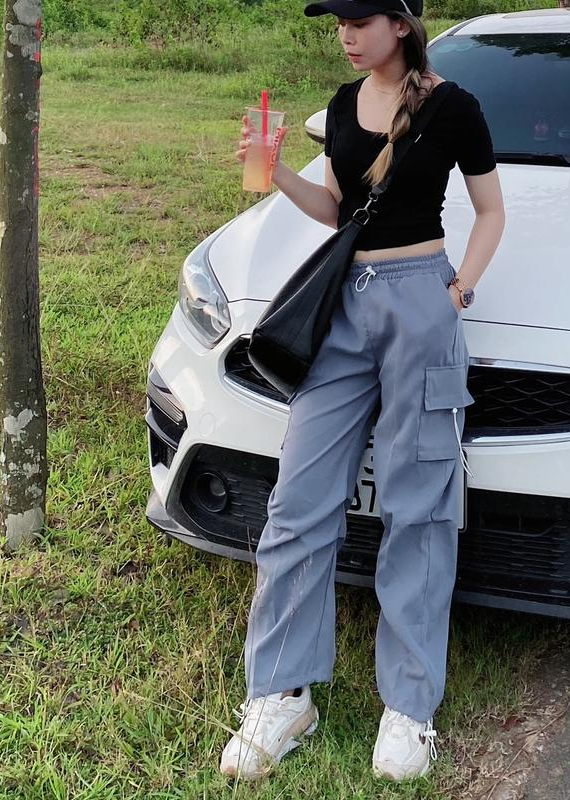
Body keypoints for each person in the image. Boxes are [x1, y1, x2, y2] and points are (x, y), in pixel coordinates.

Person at [222, 0, 505, 783]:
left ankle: (409, 706)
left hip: (421, 300)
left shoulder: (454, 106)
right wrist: (275, 171)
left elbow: (491, 210)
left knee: (420, 507)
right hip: (344, 304)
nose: (345, 34)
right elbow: (338, 209)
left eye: (360, 18)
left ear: (401, 24)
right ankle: (282, 694)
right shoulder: (344, 104)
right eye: (337, 22)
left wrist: (458, 291)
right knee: (298, 502)